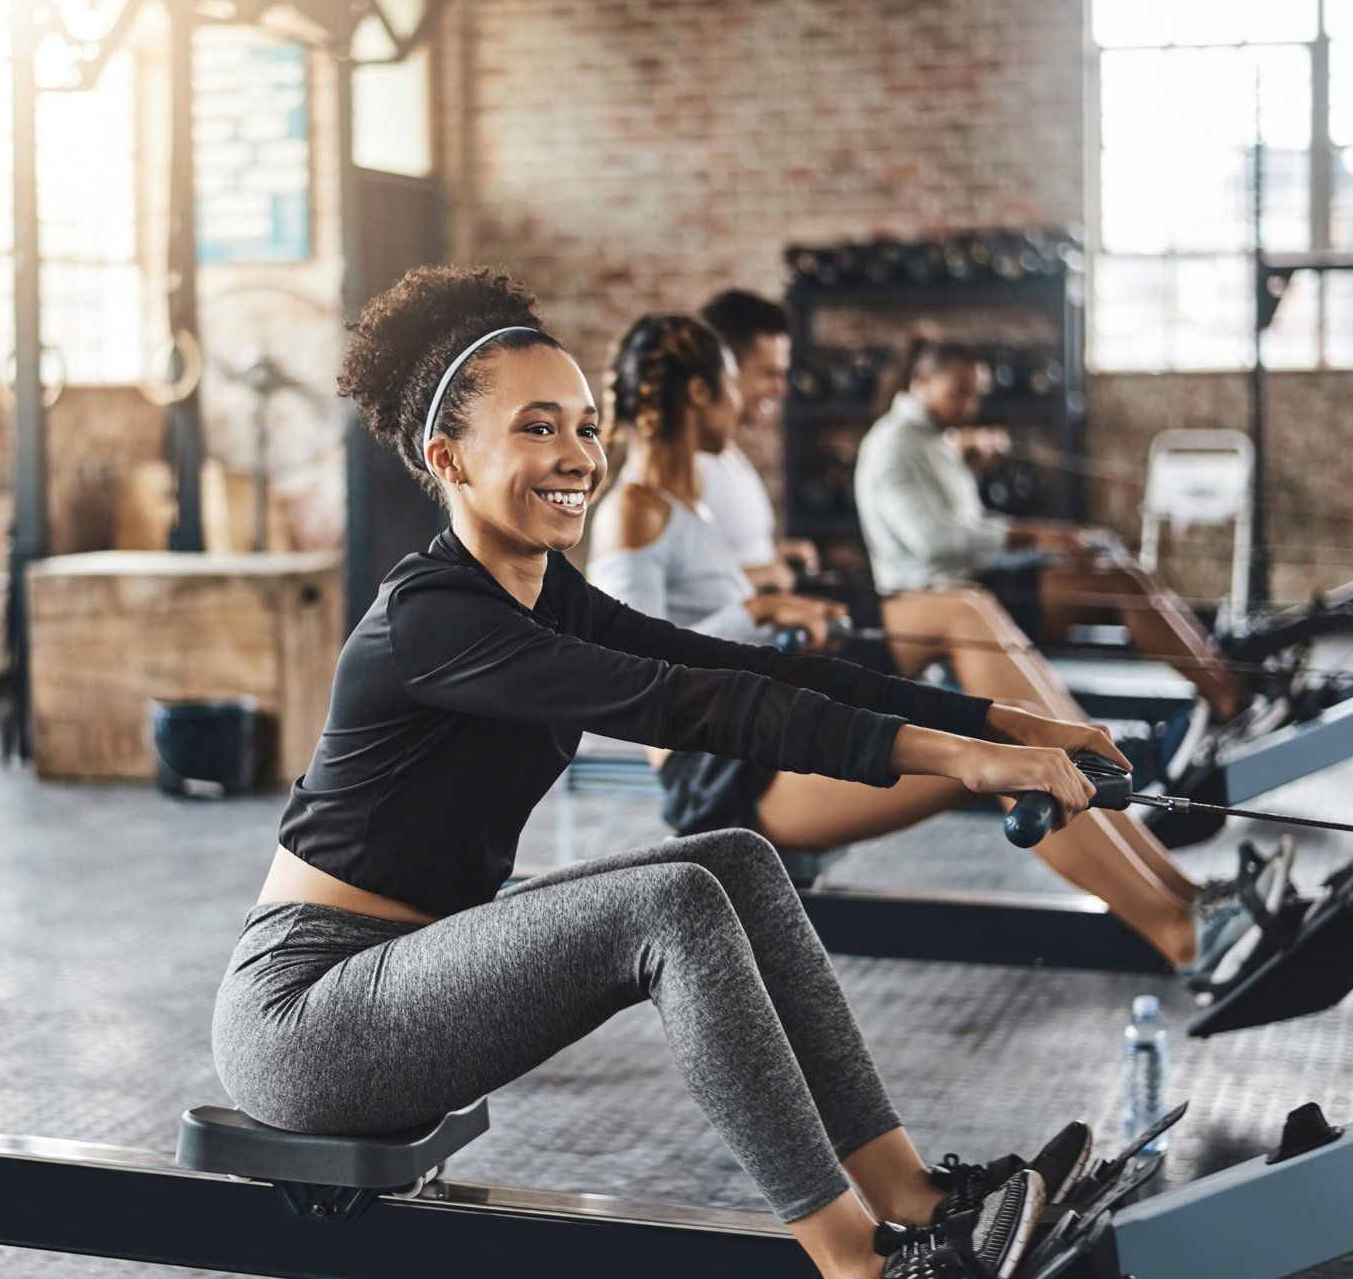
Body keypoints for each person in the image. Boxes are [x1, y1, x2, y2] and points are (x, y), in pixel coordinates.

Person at [212, 265, 1128, 1279]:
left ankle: (913, 1198)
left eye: (587, 425)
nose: (578, 457)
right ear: (450, 458)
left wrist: (1003, 716)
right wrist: (965, 762)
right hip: (310, 1013)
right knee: (674, 905)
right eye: (537, 427)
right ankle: (862, 1263)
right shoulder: (433, 616)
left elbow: (742, 666)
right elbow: (697, 709)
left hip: (409, 965)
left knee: (734, 856)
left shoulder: (541, 589)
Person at [587, 313, 1285, 977]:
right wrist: (763, 607)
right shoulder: (633, 507)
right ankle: (1182, 934)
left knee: (1009, 719)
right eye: (736, 385)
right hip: (726, 774)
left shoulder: (686, 503)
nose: (746, 402)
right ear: (702, 391)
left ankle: (1189, 898)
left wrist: (772, 597)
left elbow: (702, 615)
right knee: (1004, 768)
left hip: (772, 722)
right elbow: (633, 665)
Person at [855, 337, 1254, 723]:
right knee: (1118, 584)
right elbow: (932, 541)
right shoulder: (893, 445)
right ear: (920, 384)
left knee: (1125, 571)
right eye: (960, 393)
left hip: (976, 580)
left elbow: (967, 525)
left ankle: (1230, 680)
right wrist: (1031, 536)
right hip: (938, 599)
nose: (970, 407)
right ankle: (1229, 698)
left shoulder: (931, 439)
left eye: (975, 395)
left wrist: (1049, 540)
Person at [695, 288, 820, 591]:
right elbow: (682, 588)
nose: (781, 389)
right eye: (769, 374)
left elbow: (719, 558)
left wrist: (774, 556)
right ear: (724, 370)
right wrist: (766, 574)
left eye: (783, 375)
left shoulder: (728, 453)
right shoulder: (685, 466)